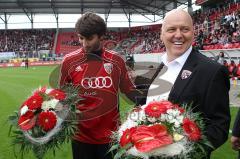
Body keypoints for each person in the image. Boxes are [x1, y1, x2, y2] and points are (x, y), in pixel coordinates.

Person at [139, 9, 230, 158]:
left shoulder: (212, 71)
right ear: (161, 35)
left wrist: (186, 152)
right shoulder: (158, 67)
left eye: (185, 29)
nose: (178, 34)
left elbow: (219, 126)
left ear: (193, 33)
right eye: (171, 29)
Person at [58, 12, 142, 159]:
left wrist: (152, 103)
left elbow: (129, 90)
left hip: (110, 136)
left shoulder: (116, 61)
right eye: (81, 38)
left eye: (89, 38)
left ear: (101, 36)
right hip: (81, 136)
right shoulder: (69, 61)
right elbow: (62, 95)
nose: (84, 44)